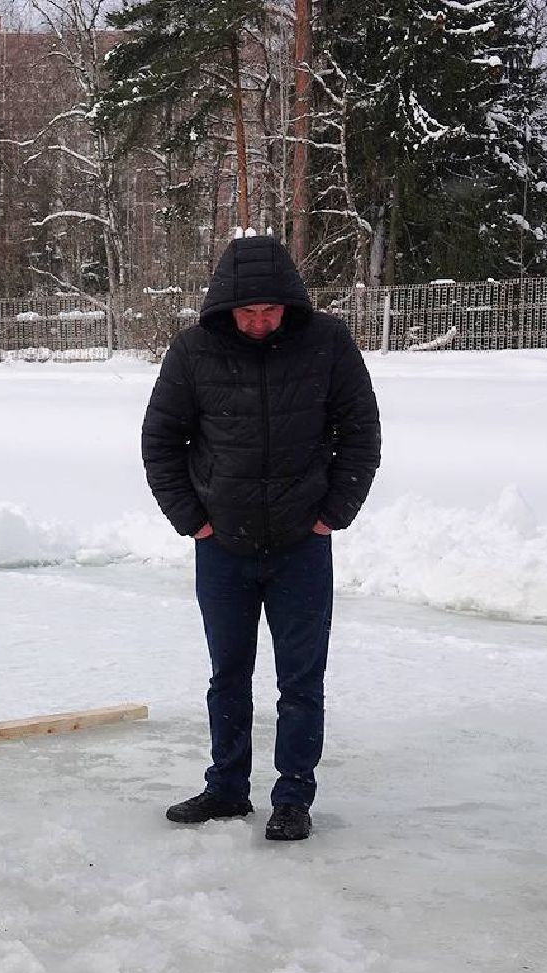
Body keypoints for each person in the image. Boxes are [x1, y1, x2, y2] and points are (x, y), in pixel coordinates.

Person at [141, 234, 381, 842]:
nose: (257, 322)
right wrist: (193, 520)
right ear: (225, 308)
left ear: (290, 304)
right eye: (246, 312)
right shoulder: (194, 350)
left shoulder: (326, 343)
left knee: (301, 681)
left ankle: (293, 797)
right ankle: (226, 788)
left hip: (302, 544)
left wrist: (335, 512)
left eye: (269, 311)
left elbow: (360, 433)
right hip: (222, 547)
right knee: (229, 674)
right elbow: (161, 443)